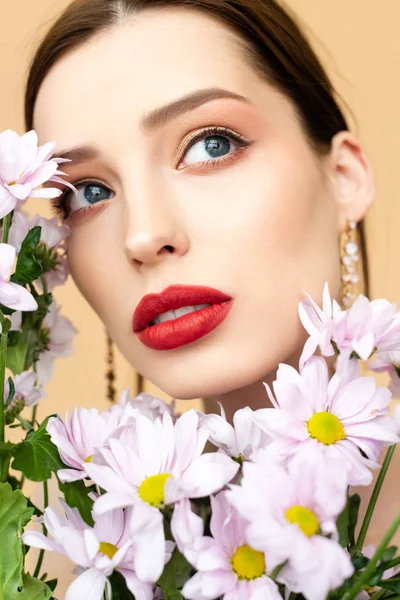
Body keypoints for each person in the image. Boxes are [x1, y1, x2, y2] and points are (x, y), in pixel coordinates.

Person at [24, 0, 395, 546]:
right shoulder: (63, 562)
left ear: (344, 177)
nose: (143, 236)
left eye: (211, 144)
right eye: (89, 193)